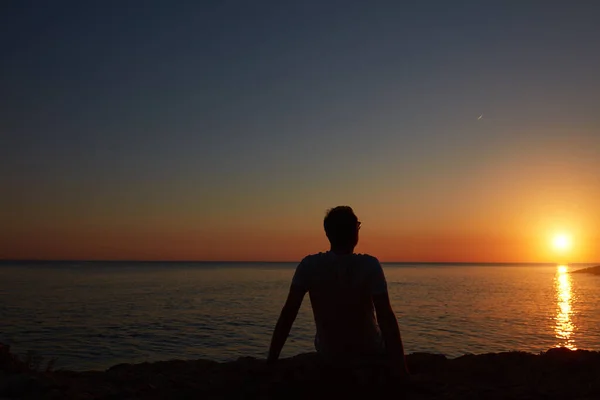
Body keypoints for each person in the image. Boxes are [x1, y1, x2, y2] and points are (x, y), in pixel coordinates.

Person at [267, 206, 409, 378]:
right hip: (370, 351)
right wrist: (401, 368)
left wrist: (271, 361)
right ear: (355, 233)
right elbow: (386, 317)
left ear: (327, 233)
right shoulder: (369, 265)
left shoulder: (309, 266)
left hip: (329, 354)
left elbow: (288, 314)